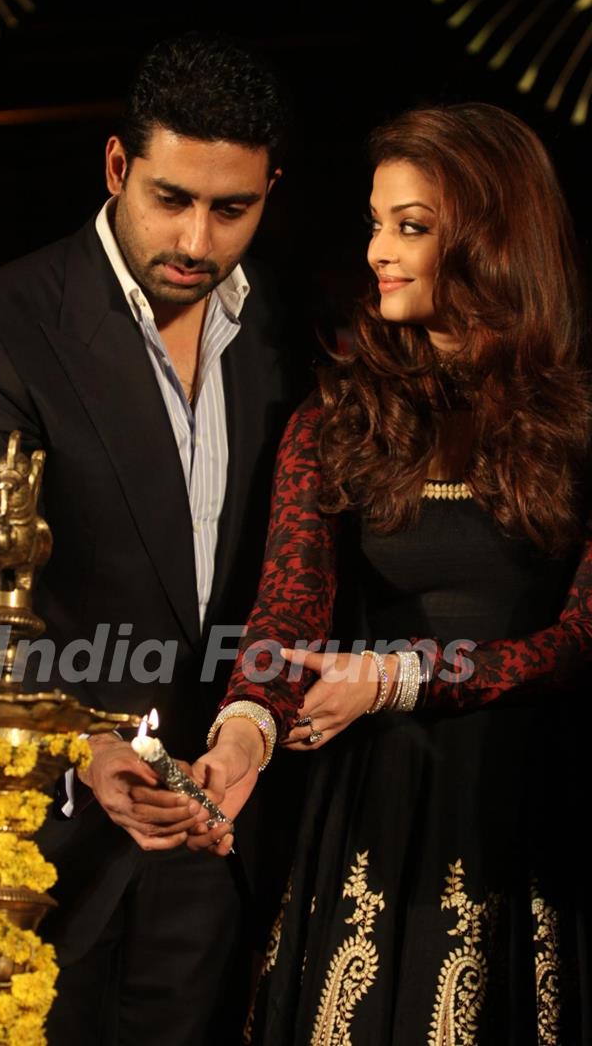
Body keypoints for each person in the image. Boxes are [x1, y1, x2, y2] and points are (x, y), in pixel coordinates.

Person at [0, 34, 306, 1046]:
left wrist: (249, 736)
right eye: (171, 198)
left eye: (234, 208)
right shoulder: (5, 326)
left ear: (272, 188)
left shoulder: (286, 330)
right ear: (116, 168)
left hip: (230, 837)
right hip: (58, 846)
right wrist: (84, 743)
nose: (198, 236)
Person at [193, 103, 592, 1043]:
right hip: (373, 805)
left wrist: (402, 675)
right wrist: (247, 730)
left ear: (493, 235)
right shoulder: (338, 418)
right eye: (377, 222)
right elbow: (287, 610)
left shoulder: (576, 427)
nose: (378, 249)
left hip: (528, 806)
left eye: (411, 226)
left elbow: (580, 642)